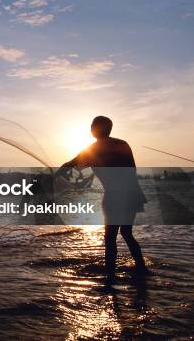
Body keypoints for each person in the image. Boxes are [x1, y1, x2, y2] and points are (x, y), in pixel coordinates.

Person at [56, 116, 147, 277]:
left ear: (96, 129)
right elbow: (132, 170)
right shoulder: (122, 144)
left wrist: (51, 176)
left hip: (114, 196)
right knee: (127, 233)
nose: (90, 129)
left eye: (92, 126)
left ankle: (110, 277)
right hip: (133, 193)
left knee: (110, 238)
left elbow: (68, 165)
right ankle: (142, 269)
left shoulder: (92, 150)